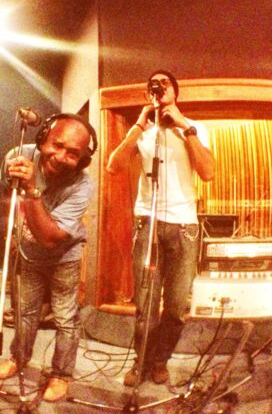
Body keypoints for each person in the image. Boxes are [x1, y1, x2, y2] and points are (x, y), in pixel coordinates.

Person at [106, 70, 215, 386]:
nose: (159, 86)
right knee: (146, 304)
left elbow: (208, 172)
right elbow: (114, 166)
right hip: (148, 222)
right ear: (148, 94)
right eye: (153, 84)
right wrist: (139, 124)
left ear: (175, 92)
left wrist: (184, 126)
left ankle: (160, 359)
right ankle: (141, 361)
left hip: (184, 226)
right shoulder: (143, 133)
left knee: (177, 306)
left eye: (165, 82)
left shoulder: (195, 128)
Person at [0, 113, 97, 402]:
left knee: (65, 318)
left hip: (63, 257)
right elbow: (7, 194)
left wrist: (31, 189)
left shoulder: (82, 185)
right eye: (57, 145)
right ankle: (18, 359)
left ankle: (61, 374)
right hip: (28, 253)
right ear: (43, 139)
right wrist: (14, 232)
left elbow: (50, 238)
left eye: (72, 154)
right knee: (25, 312)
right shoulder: (18, 156)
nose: (61, 157)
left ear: (83, 161)